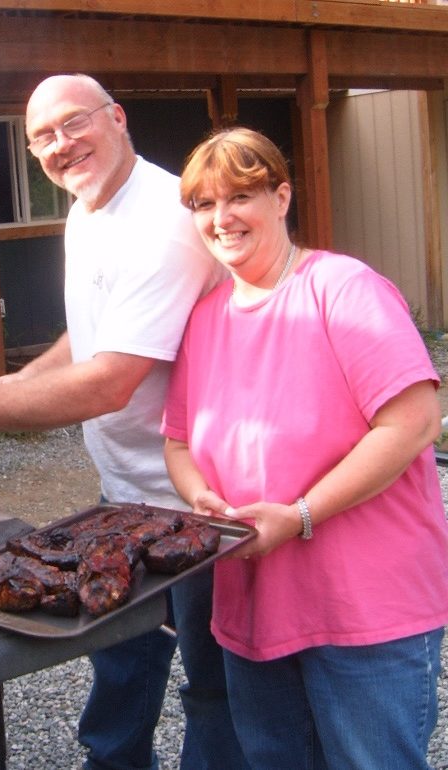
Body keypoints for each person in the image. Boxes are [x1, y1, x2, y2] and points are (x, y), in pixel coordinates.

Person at [0, 74, 247, 770]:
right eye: (41, 138)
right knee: (122, 659)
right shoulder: (88, 209)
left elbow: (109, 382)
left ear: (117, 116)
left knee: (214, 687)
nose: (60, 146)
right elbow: (90, 339)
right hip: (125, 492)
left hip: (199, 499)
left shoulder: (163, 219)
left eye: (73, 124)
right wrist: (11, 385)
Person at [162, 125, 448, 769]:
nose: (221, 217)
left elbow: (414, 422)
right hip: (255, 605)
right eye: (203, 204)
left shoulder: (344, 289)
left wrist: (300, 517)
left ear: (282, 197)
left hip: (363, 608)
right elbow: (178, 443)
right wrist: (200, 497)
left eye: (238, 196)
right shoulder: (205, 320)